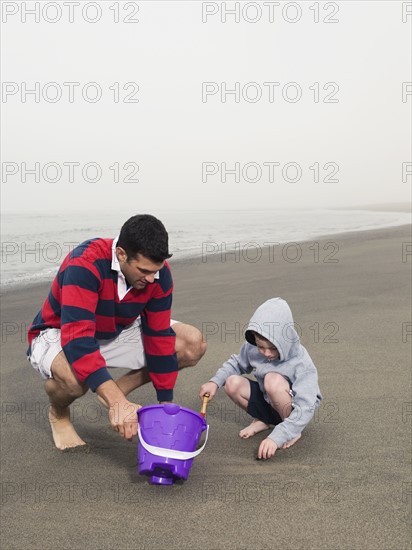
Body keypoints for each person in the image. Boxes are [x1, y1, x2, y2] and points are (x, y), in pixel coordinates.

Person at [27, 214, 206, 450]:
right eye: (144, 270)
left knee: (191, 344)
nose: (152, 279)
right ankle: (59, 411)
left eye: (156, 270)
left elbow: (158, 335)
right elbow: (78, 338)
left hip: (115, 329)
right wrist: (119, 404)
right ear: (121, 254)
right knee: (74, 382)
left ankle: (112, 391)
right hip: (60, 332)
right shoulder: (85, 263)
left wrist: (165, 405)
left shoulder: (158, 275)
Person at [199, 297, 322, 460]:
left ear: (284, 341)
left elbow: (307, 406)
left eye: (272, 348)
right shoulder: (253, 347)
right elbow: (236, 363)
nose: (266, 353)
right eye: (261, 347)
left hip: (294, 411)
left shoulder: (300, 360)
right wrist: (214, 382)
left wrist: (277, 436)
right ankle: (264, 420)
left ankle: (291, 430)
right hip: (269, 400)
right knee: (231, 383)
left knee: (272, 380)